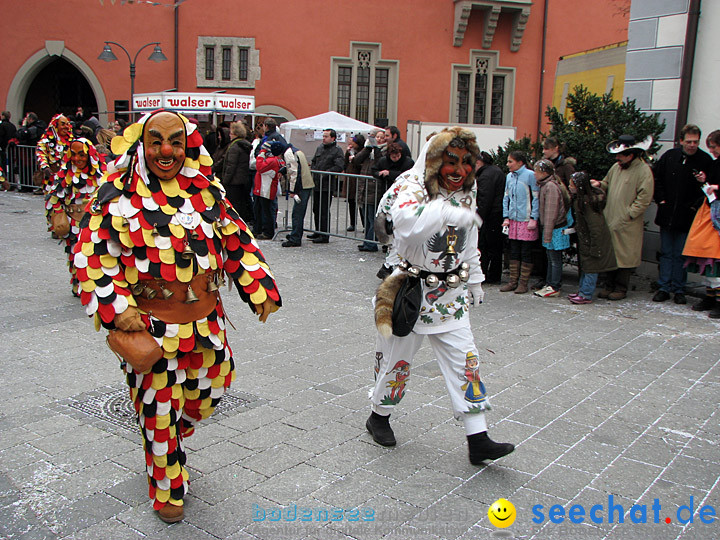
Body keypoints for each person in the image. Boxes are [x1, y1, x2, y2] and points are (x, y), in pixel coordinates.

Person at [74, 110, 281, 523]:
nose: (165, 150)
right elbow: (91, 258)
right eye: (156, 141)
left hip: (205, 322)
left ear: (187, 145)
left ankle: (175, 436)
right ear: (142, 145)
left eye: (173, 141)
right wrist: (118, 310)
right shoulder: (117, 198)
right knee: (158, 407)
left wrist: (257, 285)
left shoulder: (206, 191)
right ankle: (167, 486)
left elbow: (236, 238)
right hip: (151, 327)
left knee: (211, 390)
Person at [367, 127, 514, 465]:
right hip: (410, 293)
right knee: (397, 362)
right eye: (452, 162)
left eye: (466, 162)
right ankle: (378, 416)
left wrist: (475, 277)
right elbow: (406, 225)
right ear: (435, 160)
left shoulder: (466, 189)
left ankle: (478, 438)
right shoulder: (412, 185)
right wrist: (445, 212)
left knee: (467, 363)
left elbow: (469, 236)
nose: (459, 171)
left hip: (450, 297)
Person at [652, 124, 713, 304]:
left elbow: (707, 189)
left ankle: (679, 289)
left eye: (695, 142)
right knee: (666, 253)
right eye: (688, 141)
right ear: (681, 141)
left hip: (688, 217)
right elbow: (657, 179)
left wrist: (694, 207)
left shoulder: (704, 160)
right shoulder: (670, 157)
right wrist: (661, 200)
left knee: (681, 254)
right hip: (667, 213)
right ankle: (663, 287)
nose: (692, 145)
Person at [592, 135, 653, 301]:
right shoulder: (616, 167)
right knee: (611, 254)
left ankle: (621, 288)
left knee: (624, 257)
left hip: (627, 222)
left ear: (630, 155)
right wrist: (599, 184)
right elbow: (607, 183)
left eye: (621, 155)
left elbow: (644, 198)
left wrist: (630, 214)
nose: (617, 158)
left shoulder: (643, 171)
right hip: (611, 217)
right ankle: (608, 285)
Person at [47, 138, 105, 296]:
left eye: (81, 154)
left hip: (94, 222)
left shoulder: (101, 173)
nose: (77, 159)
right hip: (74, 221)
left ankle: (94, 283)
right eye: (73, 154)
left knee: (95, 254)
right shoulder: (65, 174)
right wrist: (59, 214)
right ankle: (77, 283)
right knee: (74, 253)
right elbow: (54, 199)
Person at [683, 129, 720, 318]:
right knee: (703, 252)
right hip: (708, 211)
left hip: (717, 217)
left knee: (715, 255)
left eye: (713, 147)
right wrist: (704, 181)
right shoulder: (714, 164)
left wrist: (717, 187)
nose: (711, 151)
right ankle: (710, 297)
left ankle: (718, 301)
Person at [567, 172, 617, 304]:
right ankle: (582, 290)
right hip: (586, 240)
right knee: (586, 266)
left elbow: (596, 227)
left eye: (571, 185)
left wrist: (595, 246)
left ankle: (586, 294)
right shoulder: (581, 200)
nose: (569, 187)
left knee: (591, 268)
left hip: (592, 241)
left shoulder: (588, 203)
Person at [500, 150, 539, 294]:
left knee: (526, 251)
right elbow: (506, 197)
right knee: (514, 250)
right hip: (513, 219)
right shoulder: (509, 176)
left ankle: (523, 283)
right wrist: (506, 216)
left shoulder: (530, 175)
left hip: (526, 219)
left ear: (520, 162)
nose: (508, 164)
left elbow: (536, 197)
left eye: (510, 161)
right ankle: (512, 281)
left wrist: (534, 218)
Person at [533, 159, 572, 297]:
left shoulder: (550, 187)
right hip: (552, 228)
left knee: (554, 259)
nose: (534, 174)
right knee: (551, 258)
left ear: (544, 172)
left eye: (536, 171)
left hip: (555, 229)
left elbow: (551, 212)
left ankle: (554, 285)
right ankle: (550, 283)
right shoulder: (547, 185)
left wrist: (547, 234)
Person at [475, 151, 506, 284]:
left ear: (478, 163)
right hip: (497, 213)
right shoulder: (497, 171)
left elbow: (484, 199)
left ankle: (486, 274)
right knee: (496, 247)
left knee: (485, 246)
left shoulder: (485, 176)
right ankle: (494, 274)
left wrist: (478, 218)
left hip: (490, 216)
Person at [309, 129, 344, 243]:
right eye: (323, 136)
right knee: (316, 209)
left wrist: (325, 174)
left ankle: (324, 234)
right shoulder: (320, 148)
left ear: (333, 138)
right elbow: (314, 161)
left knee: (324, 210)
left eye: (326, 136)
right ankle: (318, 231)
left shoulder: (337, 151)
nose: (324, 138)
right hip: (317, 183)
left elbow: (339, 166)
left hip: (327, 184)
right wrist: (314, 171)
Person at [354, 133, 387, 252]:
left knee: (373, 217)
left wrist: (376, 149)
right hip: (364, 187)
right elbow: (357, 160)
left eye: (381, 137)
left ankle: (371, 242)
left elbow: (380, 162)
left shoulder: (384, 151)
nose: (378, 139)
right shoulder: (368, 151)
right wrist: (367, 148)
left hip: (375, 188)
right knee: (366, 217)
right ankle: (367, 241)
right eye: (376, 137)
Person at [37, 114, 74, 217]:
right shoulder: (46, 142)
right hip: (52, 180)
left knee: (70, 208)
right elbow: (40, 153)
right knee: (53, 208)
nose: (66, 127)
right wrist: (45, 167)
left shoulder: (72, 142)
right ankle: (56, 228)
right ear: (55, 126)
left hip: (69, 180)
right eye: (63, 124)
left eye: (67, 124)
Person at [221, 121, 254, 224]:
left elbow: (231, 166)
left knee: (234, 204)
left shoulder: (235, 147)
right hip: (242, 179)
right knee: (241, 202)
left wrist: (225, 181)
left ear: (235, 133)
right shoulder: (243, 145)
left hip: (234, 181)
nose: (230, 135)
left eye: (231, 133)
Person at [282, 143, 314, 247]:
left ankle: (295, 237)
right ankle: (295, 234)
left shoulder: (289, 154)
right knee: (298, 213)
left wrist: (292, 190)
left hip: (301, 186)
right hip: (305, 184)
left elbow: (294, 172)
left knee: (297, 213)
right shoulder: (296, 151)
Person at [253, 140, 285, 239]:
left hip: (266, 188)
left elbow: (259, 167)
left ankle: (268, 232)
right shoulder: (275, 160)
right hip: (262, 188)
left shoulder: (272, 160)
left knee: (266, 211)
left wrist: (261, 154)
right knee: (260, 210)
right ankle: (258, 229)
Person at [343, 134, 365, 232]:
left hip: (359, 179)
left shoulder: (363, 152)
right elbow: (345, 163)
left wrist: (354, 158)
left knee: (360, 203)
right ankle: (353, 223)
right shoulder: (350, 151)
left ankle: (365, 224)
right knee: (351, 201)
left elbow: (360, 164)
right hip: (350, 178)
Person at [0, 111, 17, 177]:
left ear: (3, 116)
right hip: (11, 148)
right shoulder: (12, 126)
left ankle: (4, 179)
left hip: (3, 148)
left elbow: (1, 136)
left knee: (3, 165)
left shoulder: (2, 125)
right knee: (11, 165)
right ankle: (11, 180)